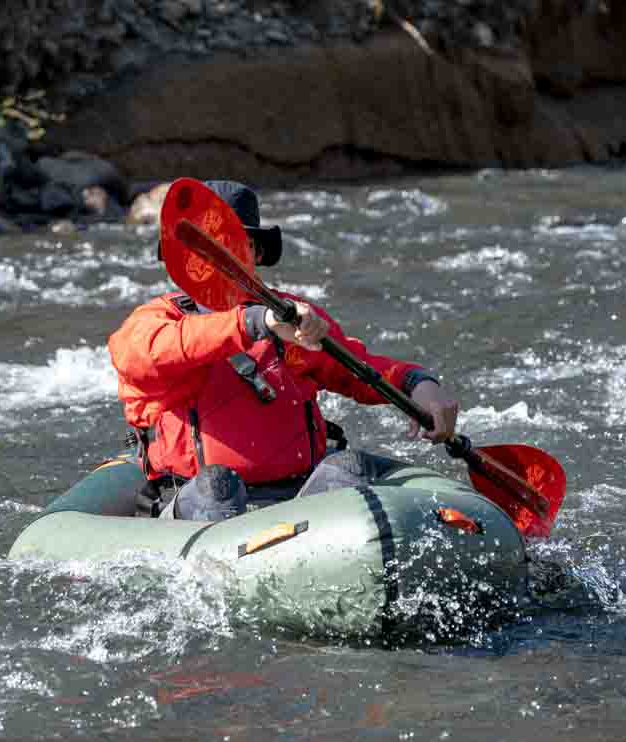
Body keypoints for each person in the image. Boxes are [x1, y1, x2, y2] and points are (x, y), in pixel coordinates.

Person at [108, 179, 460, 521]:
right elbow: (144, 355)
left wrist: (417, 382)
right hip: (200, 504)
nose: (216, 258)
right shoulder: (159, 319)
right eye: (209, 247)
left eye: (233, 243)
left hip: (298, 497)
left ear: (257, 252)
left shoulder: (294, 316)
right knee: (217, 488)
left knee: (348, 468)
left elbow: (357, 368)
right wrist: (253, 323)